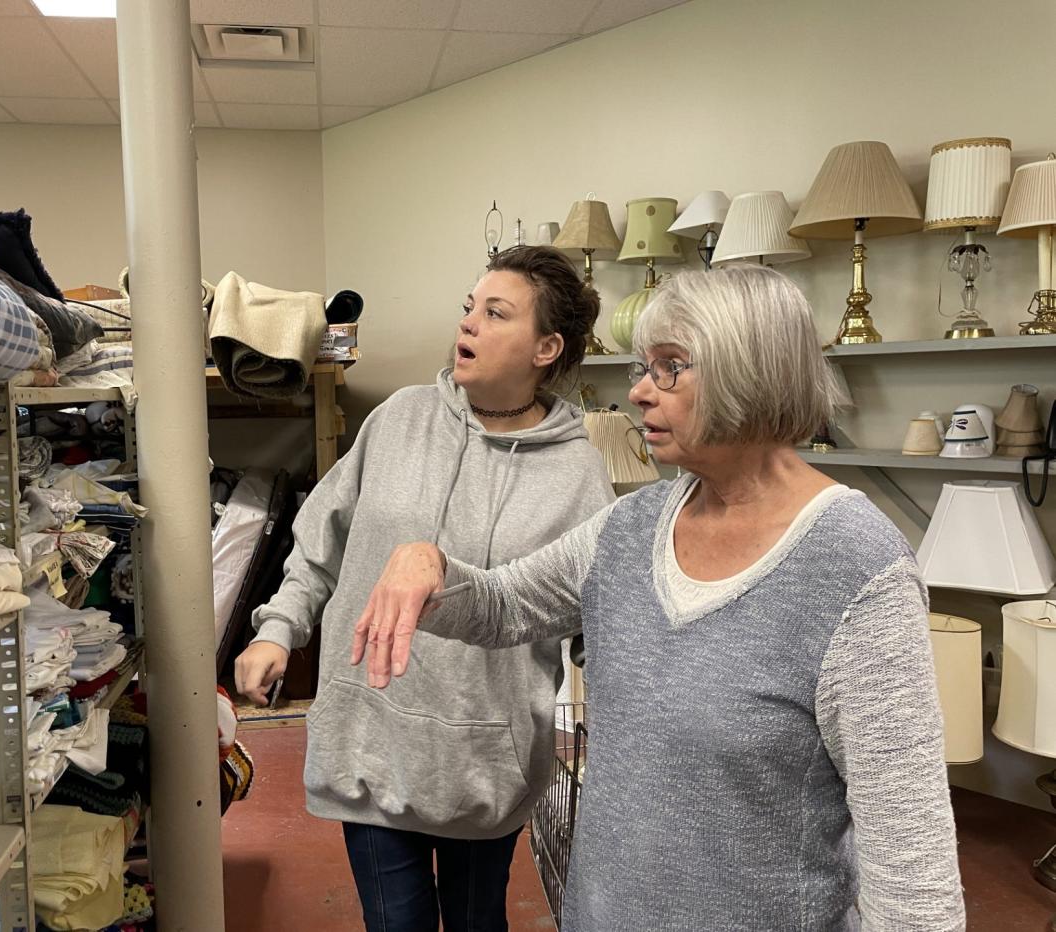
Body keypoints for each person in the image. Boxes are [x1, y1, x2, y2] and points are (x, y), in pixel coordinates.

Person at [353, 264, 966, 931]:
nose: (639, 392)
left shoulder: (857, 566)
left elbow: (914, 879)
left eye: (670, 367)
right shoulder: (630, 527)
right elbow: (504, 606)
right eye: (642, 367)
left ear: (748, 371)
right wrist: (432, 565)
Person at [234, 245, 615, 931]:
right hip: (369, 738)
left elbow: (592, 619)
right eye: (469, 306)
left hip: (484, 763)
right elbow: (322, 539)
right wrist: (277, 629)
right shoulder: (400, 419)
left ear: (546, 346)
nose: (468, 323)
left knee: (476, 923)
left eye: (495, 313)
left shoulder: (580, 474)